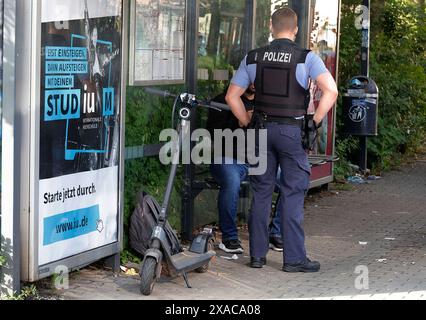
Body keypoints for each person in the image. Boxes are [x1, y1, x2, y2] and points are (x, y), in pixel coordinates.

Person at [226, 8, 338, 270]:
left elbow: (232, 96)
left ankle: (256, 256)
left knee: (261, 193)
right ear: (296, 29)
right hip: (292, 133)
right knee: (292, 194)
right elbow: (331, 90)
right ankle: (294, 260)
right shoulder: (306, 58)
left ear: (270, 26)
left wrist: (244, 119)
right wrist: (315, 120)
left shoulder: (253, 57)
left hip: (261, 132)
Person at [207, 86, 284, 254]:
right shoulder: (224, 99)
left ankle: (275, 233)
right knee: (232, 180)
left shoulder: (265, 102)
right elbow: (213, 134)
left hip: (259, 160)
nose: (255, 82)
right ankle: (229, 237)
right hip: (229, 158)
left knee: (289, 179)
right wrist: (238, 123)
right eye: (250, 77)